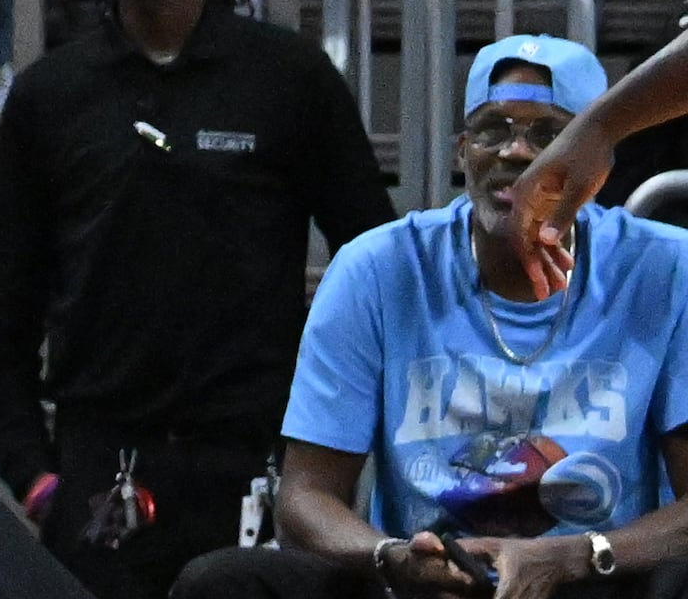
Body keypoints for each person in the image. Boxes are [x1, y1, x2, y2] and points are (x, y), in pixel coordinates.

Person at [0, 0, 394, 599]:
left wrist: (324, 463)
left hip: (254, 460)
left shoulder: (289, 79)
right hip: (100, 471)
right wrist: (37, 481)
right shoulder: (49, 96)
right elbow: (1, 321)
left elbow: (376, 264)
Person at [183, 40, 688, 599]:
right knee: (226, 582)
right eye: (493, 129)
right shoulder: (378, 266)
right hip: (423, 579)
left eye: (548, 135)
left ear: (593, 160)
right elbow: (305, 496)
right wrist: (390, 556)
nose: (516, 152)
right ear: (461, 150)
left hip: (589, 576)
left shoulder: (665, 267)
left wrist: (576, 555)